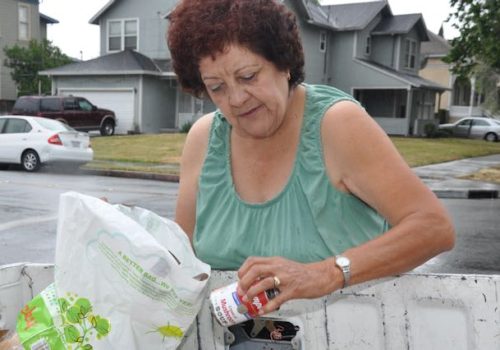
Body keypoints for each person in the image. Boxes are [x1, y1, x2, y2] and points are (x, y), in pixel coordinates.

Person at [168, 0, 455, 316]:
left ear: (283, 63)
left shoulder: (338, 124)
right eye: (217, 87)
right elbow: (182, 260)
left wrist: (326, 273)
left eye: (248, 76)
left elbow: (434, 228)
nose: (235, 99)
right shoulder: (203, 140)